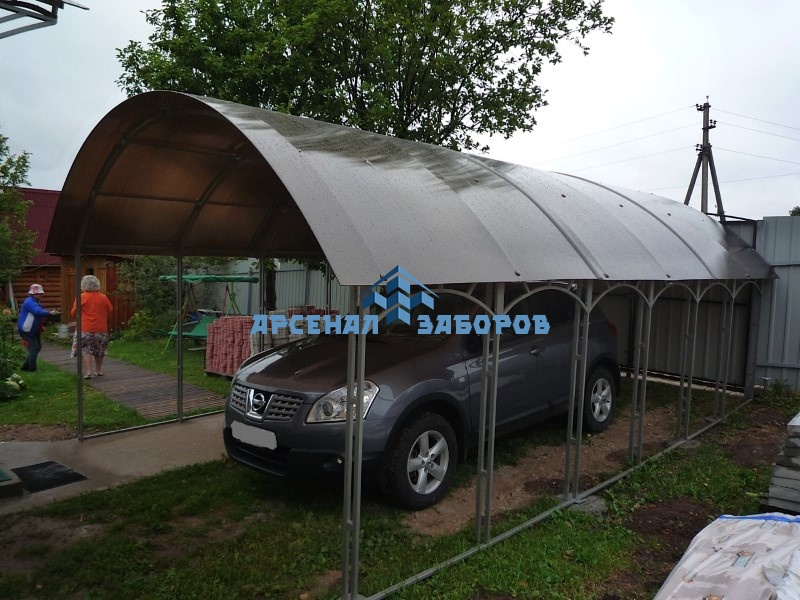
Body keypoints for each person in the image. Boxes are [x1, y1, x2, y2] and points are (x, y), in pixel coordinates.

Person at [70, 275, 113, 379]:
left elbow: (73, 312)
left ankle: (88, 371)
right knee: (100, 350)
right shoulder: (103, 297)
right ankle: (98, 370)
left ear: (84, 285)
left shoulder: (81, 297)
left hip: (85, 328)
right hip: (101, 329)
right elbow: (110, 309)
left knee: (86, 350)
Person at [17, 283, 60, 372]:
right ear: (34, 293)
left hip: (33, 329)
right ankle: (32, 369)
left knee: (37, 347)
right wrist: (50, 313)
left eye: (41, 293)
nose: (41, 295)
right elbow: (37, 312)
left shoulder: (35, 302)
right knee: (34, 348)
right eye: (39, 293)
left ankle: (26, 366)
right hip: (27, 329)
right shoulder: (30, 302)